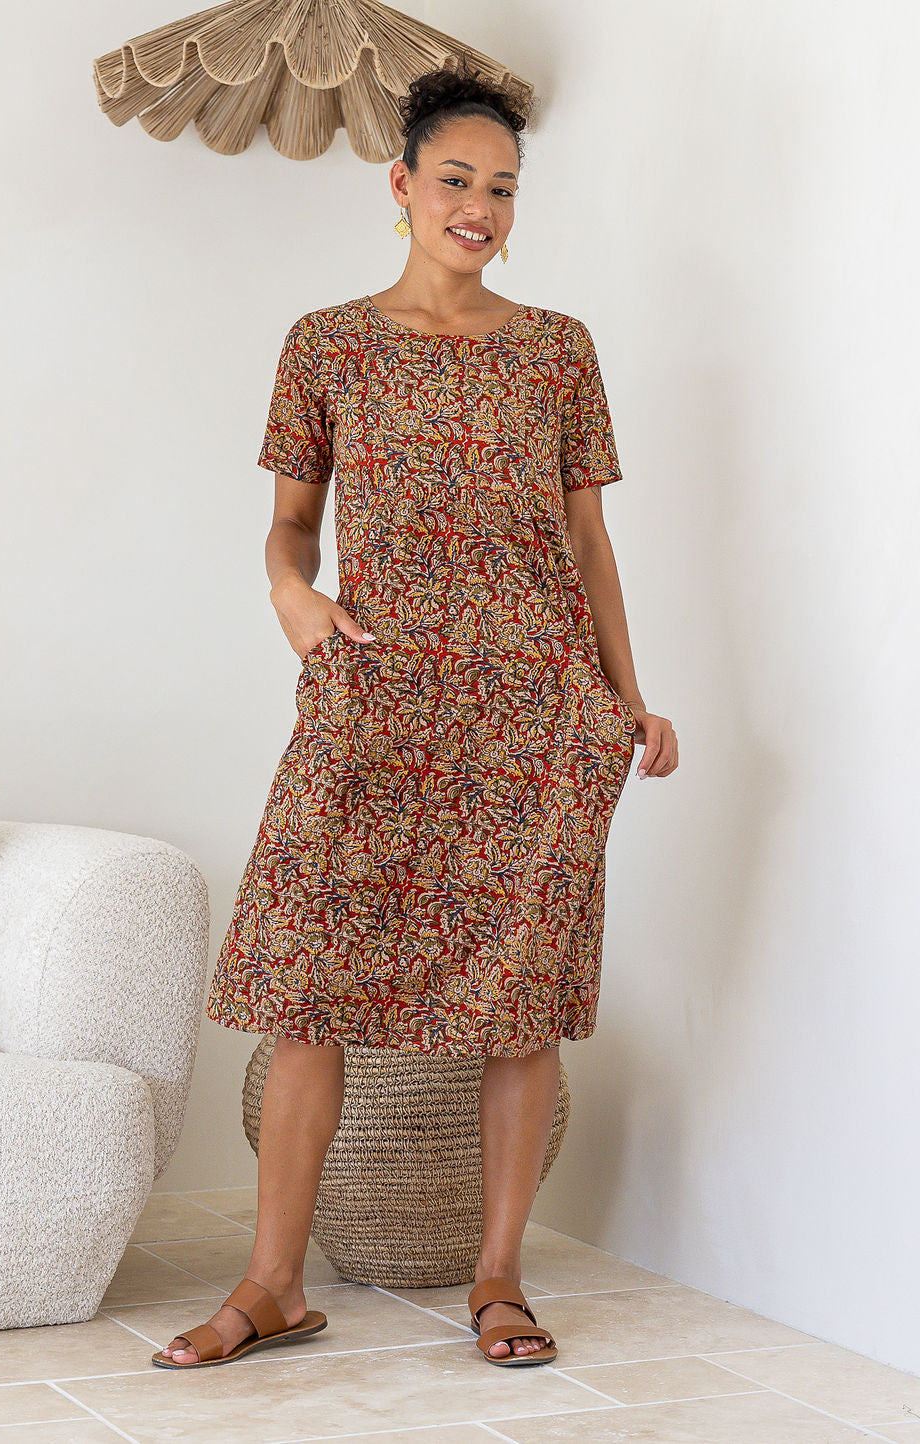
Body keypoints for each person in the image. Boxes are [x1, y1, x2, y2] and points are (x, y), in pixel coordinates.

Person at [154, 54, 678, 1373]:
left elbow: (587, 541)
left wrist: (628, 698)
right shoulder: (324, 344)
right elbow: (286, 529)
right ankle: (273, 1283)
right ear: (402, 184)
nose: (482, 207)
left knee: (518, 1003)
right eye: (458, 179)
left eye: (503, 187)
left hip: (534, 707)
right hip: (375, 694)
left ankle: (498, 1282)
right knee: (305, 982)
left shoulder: (559, 350)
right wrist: (292, 597)